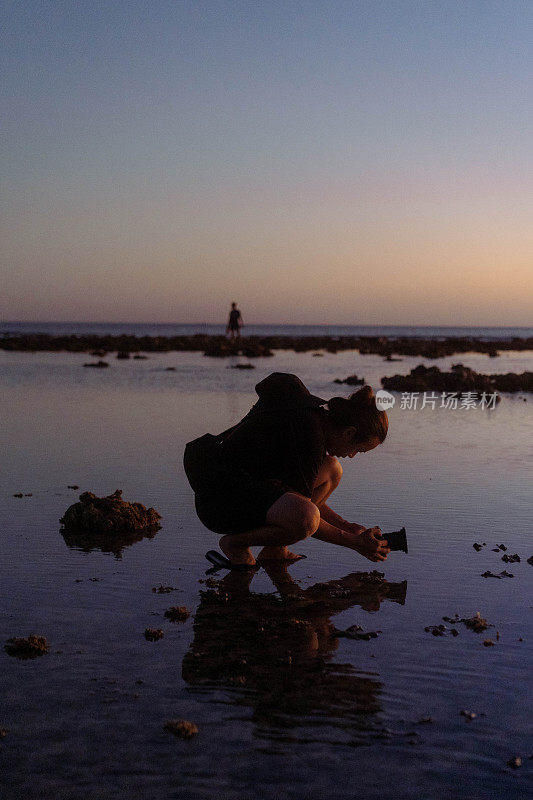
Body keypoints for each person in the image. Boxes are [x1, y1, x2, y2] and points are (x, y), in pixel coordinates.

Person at [183, 372, 390, 568]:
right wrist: (354, 542)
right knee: (307, 518)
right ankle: (235, 543)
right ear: (349, 432)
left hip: (243, 490)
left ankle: (276, 549)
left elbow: (301, 499)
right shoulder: (310, 434)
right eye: (358, 450)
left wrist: (348, 527)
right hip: (219, 503)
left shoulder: (314, 418)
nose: (352, 456)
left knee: (332, 470)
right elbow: (305, 517)